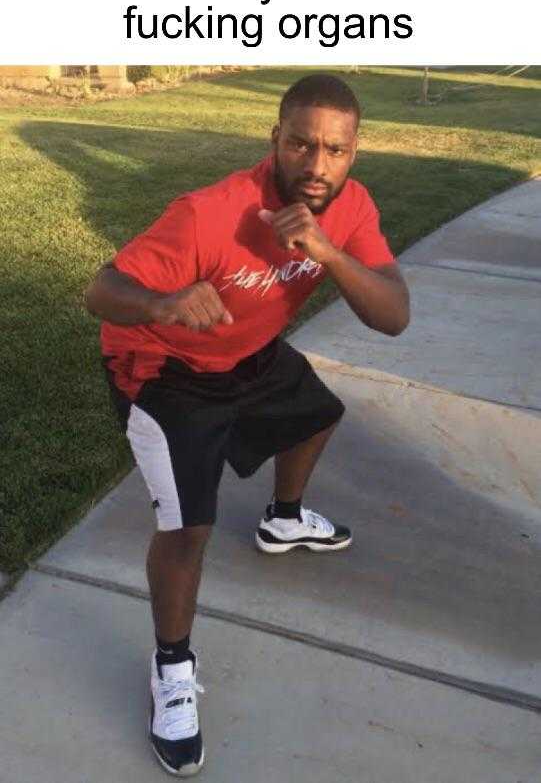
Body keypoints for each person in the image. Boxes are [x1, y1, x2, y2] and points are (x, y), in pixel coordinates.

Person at [85, 72, 410, 776]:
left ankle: (283, 517)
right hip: (164, 367)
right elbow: (101, 290)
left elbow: (392, 314)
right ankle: (171, 670)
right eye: (300, 144)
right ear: (275, 140)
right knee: (186, 529)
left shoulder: (349, 208)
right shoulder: (210, 213)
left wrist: (326, 251)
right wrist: (164, 302)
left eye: (334, 150)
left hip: (247, 350)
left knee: (316, 413)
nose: (316, 165)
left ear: (353, 152)